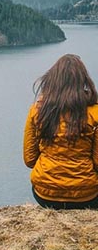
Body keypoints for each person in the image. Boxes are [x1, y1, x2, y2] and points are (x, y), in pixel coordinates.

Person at [23, 54, 98, 209]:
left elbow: (30, 160)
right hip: (86, 196)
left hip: (46, 195)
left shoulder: (38, 110)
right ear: (83, 80)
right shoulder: (94, 112)